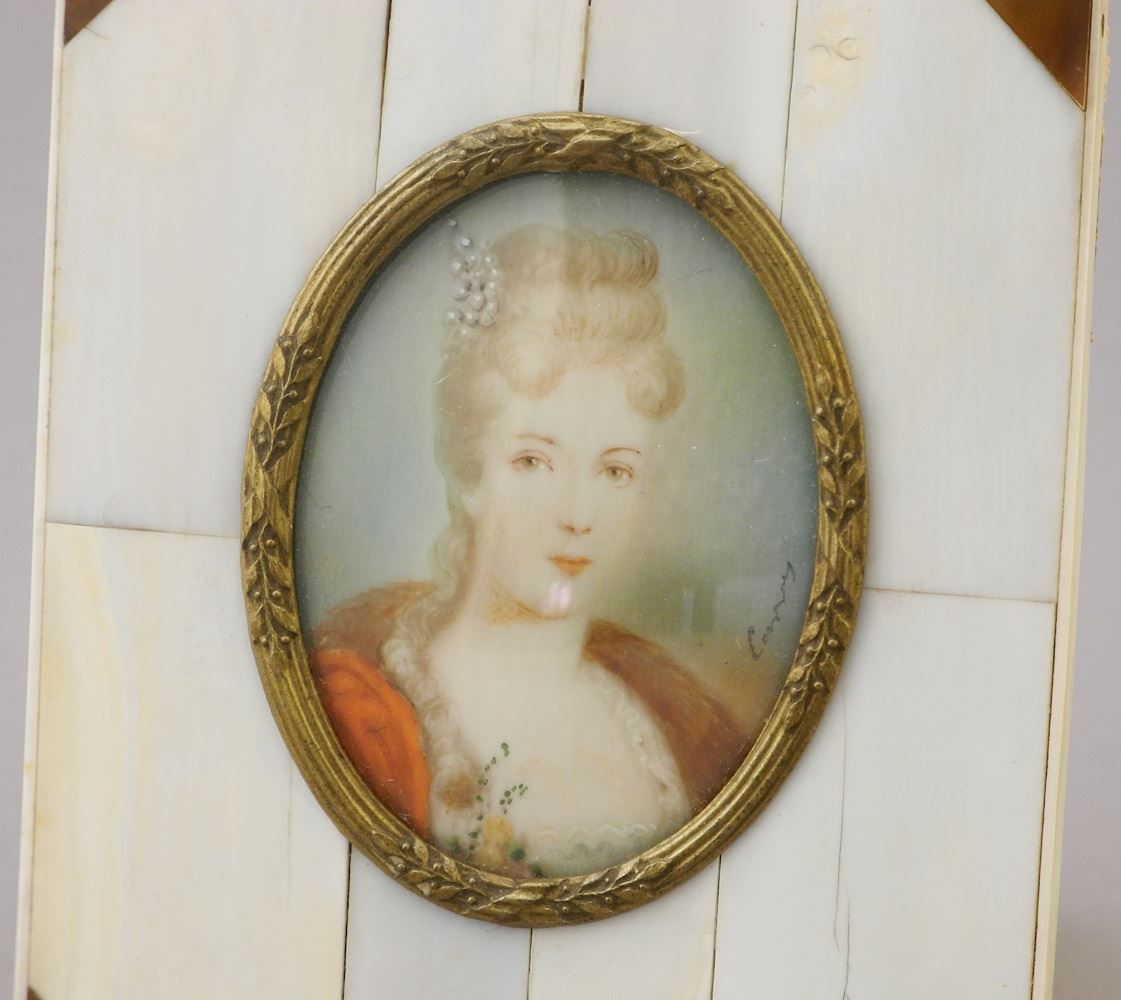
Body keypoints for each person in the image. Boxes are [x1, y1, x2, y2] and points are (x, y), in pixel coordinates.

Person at [312, 223, 747, 878]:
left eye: (615, 471)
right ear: (470, 476)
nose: (576, 515)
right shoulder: (366, 711)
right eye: (534, 462)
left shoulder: (671, 730)